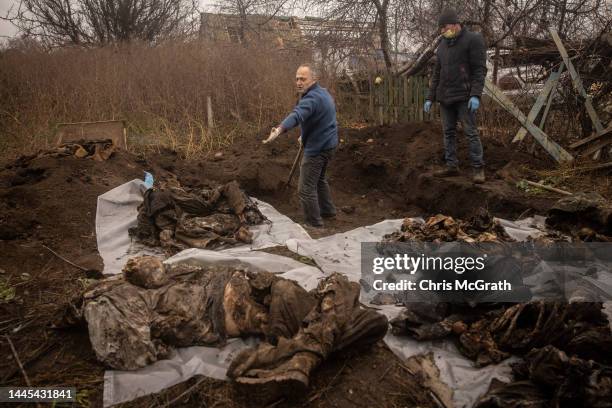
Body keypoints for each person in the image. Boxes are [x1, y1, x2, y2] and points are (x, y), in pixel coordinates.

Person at [262, 64, 338, 227]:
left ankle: (314, 223)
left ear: (313, 79)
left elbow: (297, 115)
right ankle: (328, 211)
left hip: (317, 148)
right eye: (297, 78)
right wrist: (305, 134)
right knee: (319, 179)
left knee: (305, 188)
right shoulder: (323, 93)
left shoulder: (311, 98)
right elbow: (323, 116)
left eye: (303, 79)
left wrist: (280, 129)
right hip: (329, 143)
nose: (298, 82)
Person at [424, 8, 487, 184]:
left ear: (455, 24)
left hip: (464, 96)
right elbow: (437, 74)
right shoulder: (442, 46)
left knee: (471, 132)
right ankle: (452, 166)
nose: (442, 31)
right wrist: (430, 97)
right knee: (448, 132)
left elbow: (479, 70)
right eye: (441, 29)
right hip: (445, 97)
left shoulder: (473, 40)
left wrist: (475, 95)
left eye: (444, 28)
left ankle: (478, 168)